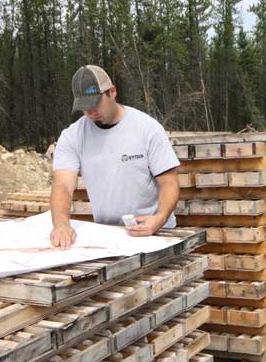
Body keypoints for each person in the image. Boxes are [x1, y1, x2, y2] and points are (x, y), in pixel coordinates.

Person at [50, 65, 180, 249]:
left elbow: (169, 182)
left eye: (95, 103)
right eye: (85, 108)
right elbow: (62, 185)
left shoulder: (147, 129)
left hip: (157, 233)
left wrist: (159, 218)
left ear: (112, 92)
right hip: (109, 235)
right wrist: (61, 224)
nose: (91, 112)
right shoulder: (73, 136)